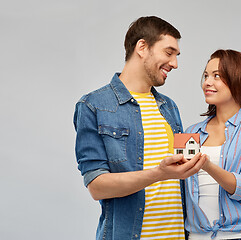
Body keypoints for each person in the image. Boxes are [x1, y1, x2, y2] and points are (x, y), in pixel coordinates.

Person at [73, 16, 207, 240]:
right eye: (169, 52)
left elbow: (186, 164)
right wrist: (158, 174)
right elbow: (97, 186)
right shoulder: (93, 106)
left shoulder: (169, 107)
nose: (175, 63)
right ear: (142, 47)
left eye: (176, 56)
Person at [184, 49, 241, 239]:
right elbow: (179, 183)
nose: (207, 82)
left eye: (217, 76)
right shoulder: (190, 132)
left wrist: (207, 165)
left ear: (237, 79)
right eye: (206, 75)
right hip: (199, 235)